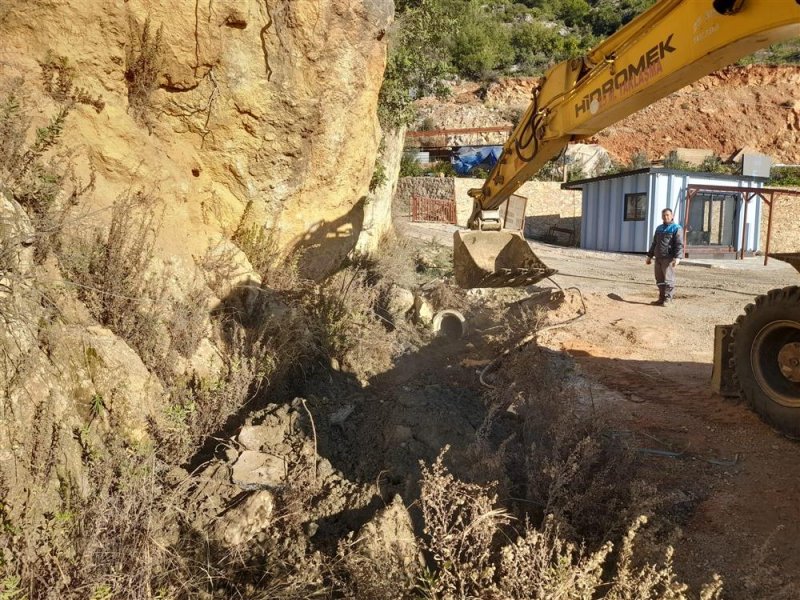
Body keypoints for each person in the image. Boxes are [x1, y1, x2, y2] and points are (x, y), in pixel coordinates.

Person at [646, 208, 684, 306]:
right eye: (664, 215)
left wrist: (678, 258)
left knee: (668, 280)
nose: (665, 217)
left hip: (668, 258)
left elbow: (679, 244)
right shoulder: (659, 228)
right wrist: (649, 256)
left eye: (667, 215)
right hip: (658, 258)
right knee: (659, 280)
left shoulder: (676, 228)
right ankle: (661, 298)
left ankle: (668, 299)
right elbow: (654, 243)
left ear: (672, 216)